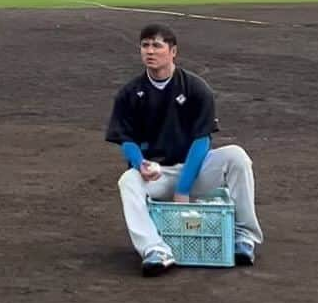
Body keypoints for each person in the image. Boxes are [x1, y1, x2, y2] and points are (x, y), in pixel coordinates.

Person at [105, 22, 262, 276]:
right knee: (128, 181)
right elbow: (127, 139)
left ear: (173, 51)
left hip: (195, 170)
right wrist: (139, 163)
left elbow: (202, 141)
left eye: (157, 45)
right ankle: (155, 249)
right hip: (158, 175)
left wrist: (184, 188)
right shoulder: (130, 93)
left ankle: (243, 236)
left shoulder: (196, 88)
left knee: (236, 156)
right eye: (145, 45)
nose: (150, 51)